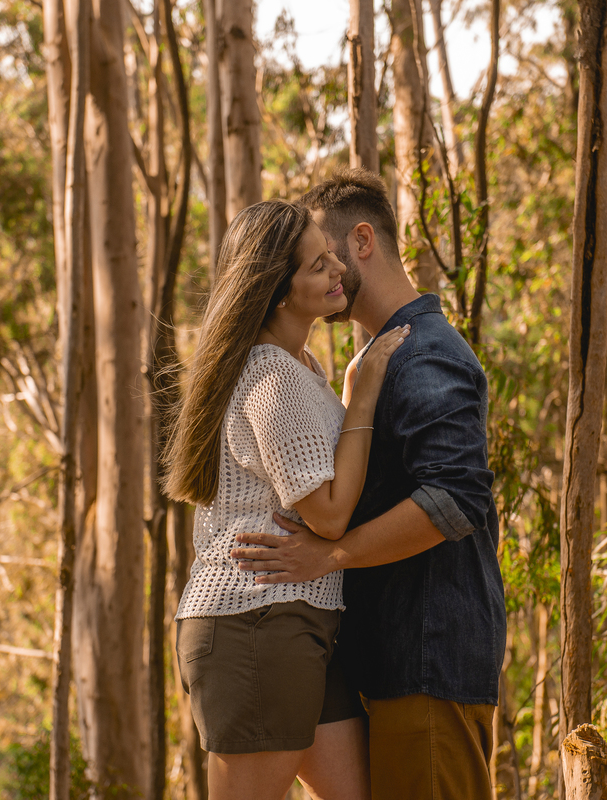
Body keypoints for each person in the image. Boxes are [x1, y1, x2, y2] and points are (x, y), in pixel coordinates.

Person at [231, 169, 507, 800]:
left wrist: (331, 554)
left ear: (362, 241)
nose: (324, 270)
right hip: (396, 661)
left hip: (427, 663)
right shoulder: (383, 358)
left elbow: (455, 499)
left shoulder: (425, 354)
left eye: (327, 254)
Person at [164, 199, 408, 800]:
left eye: (332, 258)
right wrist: (365, 398)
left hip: (299, 623)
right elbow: (326, 514)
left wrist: (349, 392)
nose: (337, 273)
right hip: (253, 621)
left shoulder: (301, 368)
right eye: (317, 266)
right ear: (277, 291)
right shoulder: (272, 377)